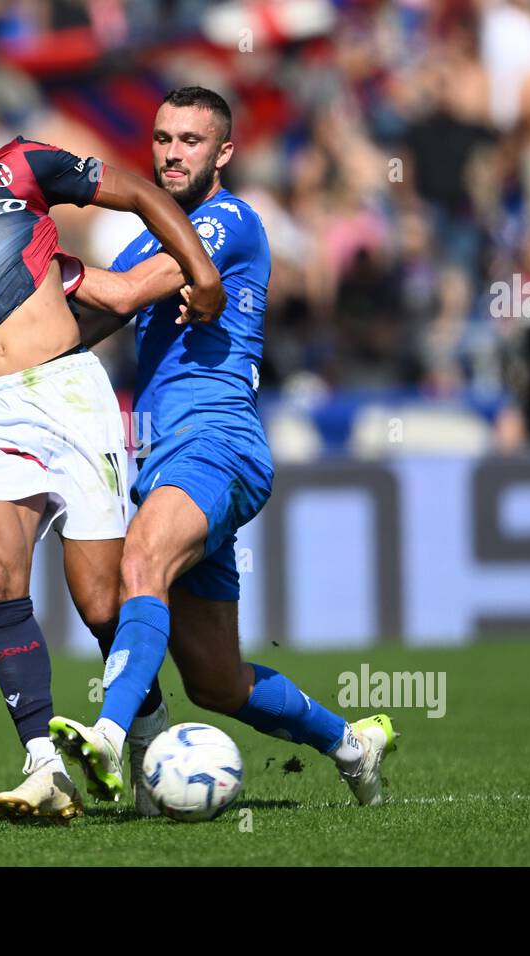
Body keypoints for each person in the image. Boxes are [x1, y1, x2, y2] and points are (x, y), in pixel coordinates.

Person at [0, 67, 225, 822]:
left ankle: (146, 734)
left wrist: (201, 270)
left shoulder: (24, 167)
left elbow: (145, 195)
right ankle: (43, 765)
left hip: (69, 395)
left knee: (98, 603)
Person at [55, 87, 399, 810]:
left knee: (139, 562)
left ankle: (113, 740)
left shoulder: (227, 221)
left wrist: (28, 260)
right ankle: (352, 745)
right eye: (162, 139)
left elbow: (119, 298)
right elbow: (81, 329)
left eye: (189, 141)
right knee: (215, 681)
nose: (171, 153)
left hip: (217, 442)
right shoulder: (150, 239)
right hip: (170, 456)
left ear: (224, 153)